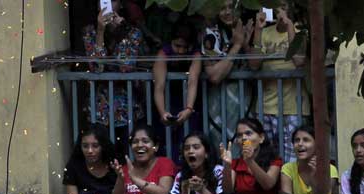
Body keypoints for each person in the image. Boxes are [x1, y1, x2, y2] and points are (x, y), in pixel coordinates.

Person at [81, 1, 147, 151]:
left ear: (121, 5)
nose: (108, 4)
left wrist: (122, 29)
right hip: (100, 110)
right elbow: (97, 67)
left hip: (128, 108)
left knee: (127, 155)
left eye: (114, 0)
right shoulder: (89, 31)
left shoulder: (133, 31)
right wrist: (100, 31)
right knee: (102, 156)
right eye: (104, 0)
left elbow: (125, 66)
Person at [254, 7, 309, 161]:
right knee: (266, 158)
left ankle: (289, 186)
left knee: (293, 159)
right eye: (277, 8)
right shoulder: (265, 32)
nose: (281, 13)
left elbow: (298, 60)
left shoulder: (300, 30)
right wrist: (258, 31)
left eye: (285, 7)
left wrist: (290, 25)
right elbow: (253, 64)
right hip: (266, 105)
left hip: (293, 106)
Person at [202, 1, 257, 147]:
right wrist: (237, 45)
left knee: (248, 151)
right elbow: (214, 76)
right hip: (219, 106)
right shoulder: (211, 34)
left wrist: (245, 44)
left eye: (231, 7)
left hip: (246, 102)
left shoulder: (250, 28)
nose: (227, 12)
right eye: (222, 8)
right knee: (222, 154)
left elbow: (255, 66)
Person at [153, 22, 203, 158]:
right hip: (166, 102)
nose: (181, 51)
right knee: (165, 145)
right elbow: (159, 86)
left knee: (188, 143)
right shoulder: (164, 52)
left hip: (189, 102)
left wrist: (189, 108)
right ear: (171, 42)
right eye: (177, 46)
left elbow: (192, 81)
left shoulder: (196, 53)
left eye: (185, 47)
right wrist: (162, 112)